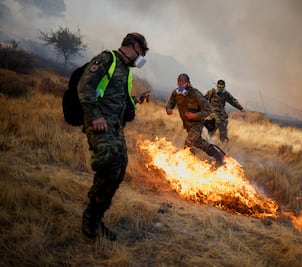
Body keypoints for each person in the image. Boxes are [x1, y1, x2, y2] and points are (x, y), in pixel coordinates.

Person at [78, 32, 149, 241]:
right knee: (108, 163)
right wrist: (94, 116)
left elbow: (122, 100)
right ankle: (90, 220)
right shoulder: (107, 59)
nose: (142, 57)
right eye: (142, 52)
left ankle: (97, 218)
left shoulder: (126, 70)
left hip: (115, 127)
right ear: (135, 46)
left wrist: (138, 101)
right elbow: (85, 87)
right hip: (99, 124)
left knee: (119, 170)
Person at [166, 73, 225, 167]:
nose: (181, 88)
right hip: (187, 124)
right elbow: (171, 102)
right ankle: (219, 156)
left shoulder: (196, 94)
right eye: (179, 85)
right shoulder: (176, 93)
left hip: (197, 123)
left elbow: (208, 110)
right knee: (198, 143)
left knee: (188, 143)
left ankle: (191, 166)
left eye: (183, 85)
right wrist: (169, 108)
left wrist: (194, 115)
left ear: (188, 83)